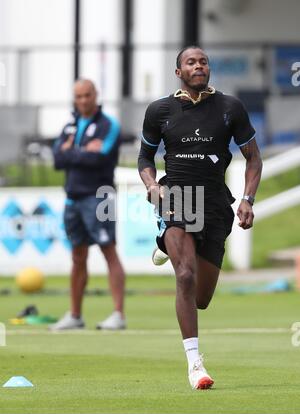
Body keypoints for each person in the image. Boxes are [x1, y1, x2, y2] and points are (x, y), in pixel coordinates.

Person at [138, 46, 263, 389]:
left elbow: (253, 159)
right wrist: (152, 186)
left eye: (203, 61)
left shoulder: (229, 108)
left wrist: (248, 199)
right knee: (185, 274)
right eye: (191, 62)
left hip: (215, 205)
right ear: (178, 71)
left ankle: (163, 244)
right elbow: (144, 159)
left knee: (201, 298)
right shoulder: (160, 110)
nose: (198, 66)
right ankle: (196, 365)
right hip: (176, 199)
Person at [51, 79, 126, 331]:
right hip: (72, 198)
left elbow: (100, 157)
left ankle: (118, 314)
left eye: (87, 95)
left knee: (108, 250)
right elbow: (57, 159)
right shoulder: (70, 125)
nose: (83, 100)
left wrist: (72, 152)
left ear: (96, 95)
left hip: (99, 196)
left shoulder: (108, 125)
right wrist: (82, 151)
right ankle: (75, 315)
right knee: (77, 256)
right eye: (78, 96)